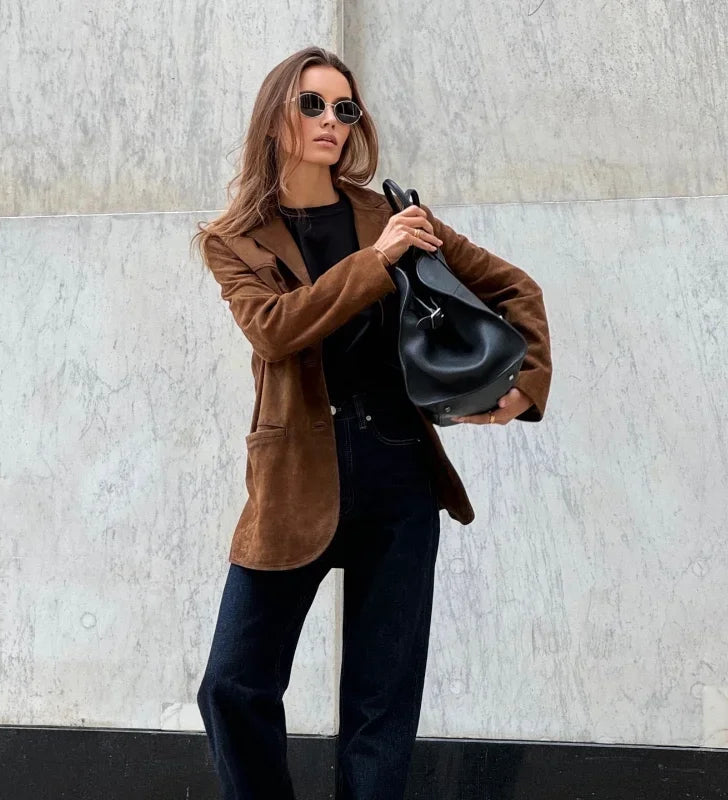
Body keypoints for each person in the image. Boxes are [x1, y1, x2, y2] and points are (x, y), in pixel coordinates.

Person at [190, 45, 552, 800]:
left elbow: (513, 286)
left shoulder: (387, 212)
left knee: (380, 708)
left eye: (344, 108)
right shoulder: (235, 238)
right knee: (232, 684)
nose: (331, 121)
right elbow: (276, 328)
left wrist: (525, 386)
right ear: (275, 116)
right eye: (313, 104)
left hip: (397, 470)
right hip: (296, 477)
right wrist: (375, 262)